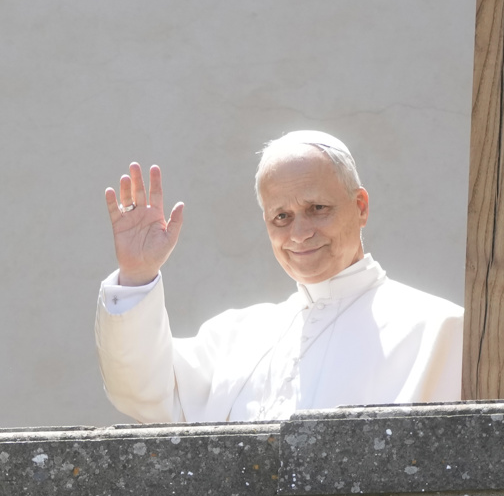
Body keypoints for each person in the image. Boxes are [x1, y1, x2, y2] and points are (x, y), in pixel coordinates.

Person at [95, 131, 461, 423]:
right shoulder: (237, 337)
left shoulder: (440, 329)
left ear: (360, 206)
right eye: (281, 217)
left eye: (317, 208)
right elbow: (144, 391)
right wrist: (138, 273)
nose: (300, 233)